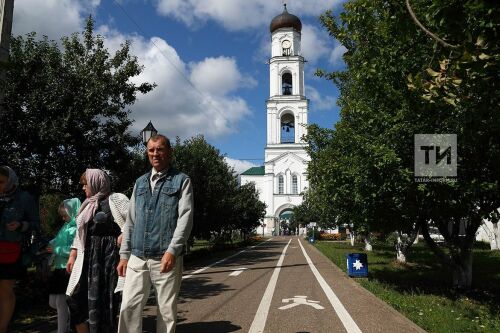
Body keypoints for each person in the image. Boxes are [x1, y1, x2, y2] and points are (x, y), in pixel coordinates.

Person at [117, 134, 193, 333]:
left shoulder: (181, 181)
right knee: (128, 307)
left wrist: (173, 250)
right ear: (147, 153)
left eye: (160, 149)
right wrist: (124, 255)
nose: (155, 154)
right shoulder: (140, 182)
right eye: (151, 150)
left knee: (166, 311)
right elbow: (130, 221)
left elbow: (185, 217)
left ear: (169, 152)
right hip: (137, 255)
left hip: (165, 256)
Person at [66, 169, 121, 333]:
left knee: (103, 304)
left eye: (85, 184)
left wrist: (123, 234)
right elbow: (80, 233)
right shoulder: (87, 205)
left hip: (106, 259)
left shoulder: (115, 200)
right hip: (86, 258)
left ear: (97, 183)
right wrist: (72, 254)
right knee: (73, 299)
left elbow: (131, 222)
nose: (83, 188)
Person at [0, 166, 39, 333]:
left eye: (1, 182)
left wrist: (21, 225)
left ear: (10, 181)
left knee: (5, 289)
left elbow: (36, 226)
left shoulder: (24, 198)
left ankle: (2, 328)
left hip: (10, 250)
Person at [47, 198, 80, 333]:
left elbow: (74, 250)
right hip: (59, 268)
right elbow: (58, 240)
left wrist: (56, 249)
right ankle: (69, 323)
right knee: (53, 302)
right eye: (62, 215)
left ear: (73, 212)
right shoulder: (66, 226)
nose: (63, 217)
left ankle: (62, 330)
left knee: (60, 303)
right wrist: (51, 243)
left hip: (67, 269)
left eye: (65, 214)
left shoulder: (76, 229)